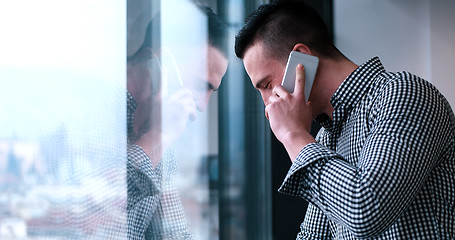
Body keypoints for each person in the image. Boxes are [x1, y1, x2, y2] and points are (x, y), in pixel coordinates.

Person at [235, 1, 454, 239]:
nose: (267, 104)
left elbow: (367, 209)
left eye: (266, 85)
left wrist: (293, 135)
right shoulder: (325, 138)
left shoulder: (405, 94)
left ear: (301, 61)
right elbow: (312, 235)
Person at [126, 6, 228, 239]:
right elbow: (104, 217)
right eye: (202, 85)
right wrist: (157, 139)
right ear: (162, 63)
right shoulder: (99, 112)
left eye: (213, 90)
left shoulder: (163, 133)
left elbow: (172, 233)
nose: (202, 104)